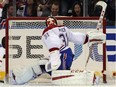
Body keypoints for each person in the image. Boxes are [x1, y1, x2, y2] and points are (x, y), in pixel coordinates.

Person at [10, 16, 106, 85]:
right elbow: (77, 38)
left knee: (61, 77)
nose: (50, 23)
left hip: (61, 55)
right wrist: (89, 38)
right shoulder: (64, 28)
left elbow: (53, 42)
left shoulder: (47, 31)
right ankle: (18, 80)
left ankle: (89, 78)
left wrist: (55, 58)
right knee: (39, 66)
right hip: (66, 54)